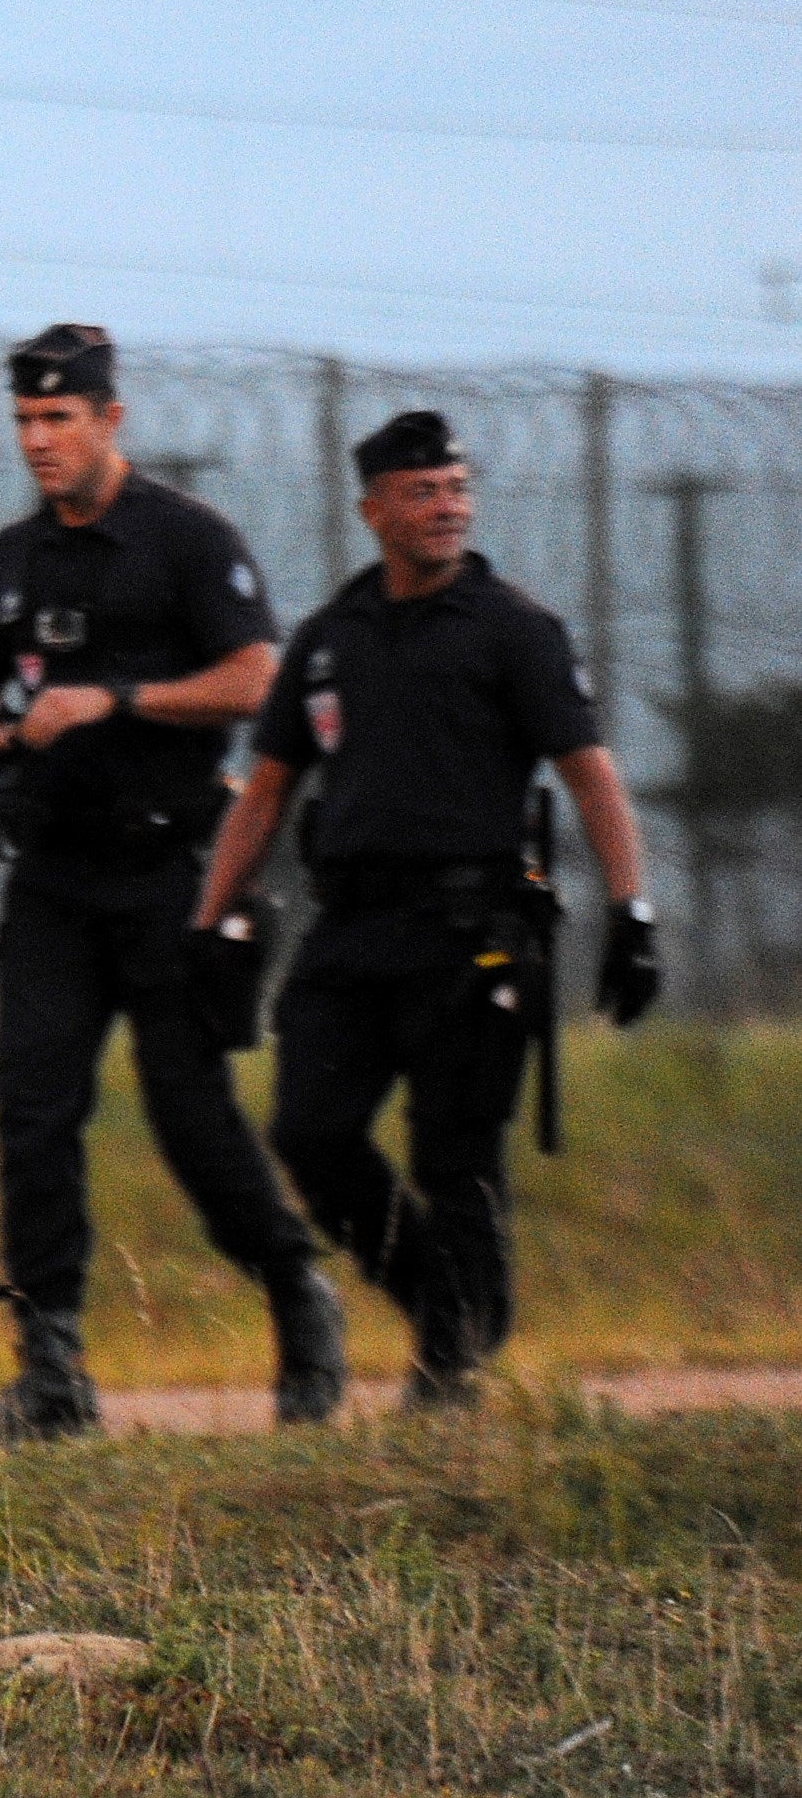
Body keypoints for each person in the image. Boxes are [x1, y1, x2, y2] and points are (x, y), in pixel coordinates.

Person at [193, 410, 657, 1410]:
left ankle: (447, 1372)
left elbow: (590, 777)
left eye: (456, 488)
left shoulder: (513, 631)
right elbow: (265, 792)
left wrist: (634, 912)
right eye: (422, 492)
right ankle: (440, 1298)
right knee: (310, 1131)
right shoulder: (327, 642)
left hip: (471, 934)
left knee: (456, 1154)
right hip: (351, 934)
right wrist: (208, 924)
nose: (447, 508)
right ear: (372, 511)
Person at [0, 324, 337, 1442]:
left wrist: (113, 699)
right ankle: (51, 1370)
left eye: (58, 420)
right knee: (31, 1113)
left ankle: (297, 1290)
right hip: (53, 877)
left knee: (190, 1116)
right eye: (23, 421)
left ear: (110, 420)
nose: (38, 440)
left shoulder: (183, 540)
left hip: (173, 871)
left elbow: (257, 676)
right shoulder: (14, 557)